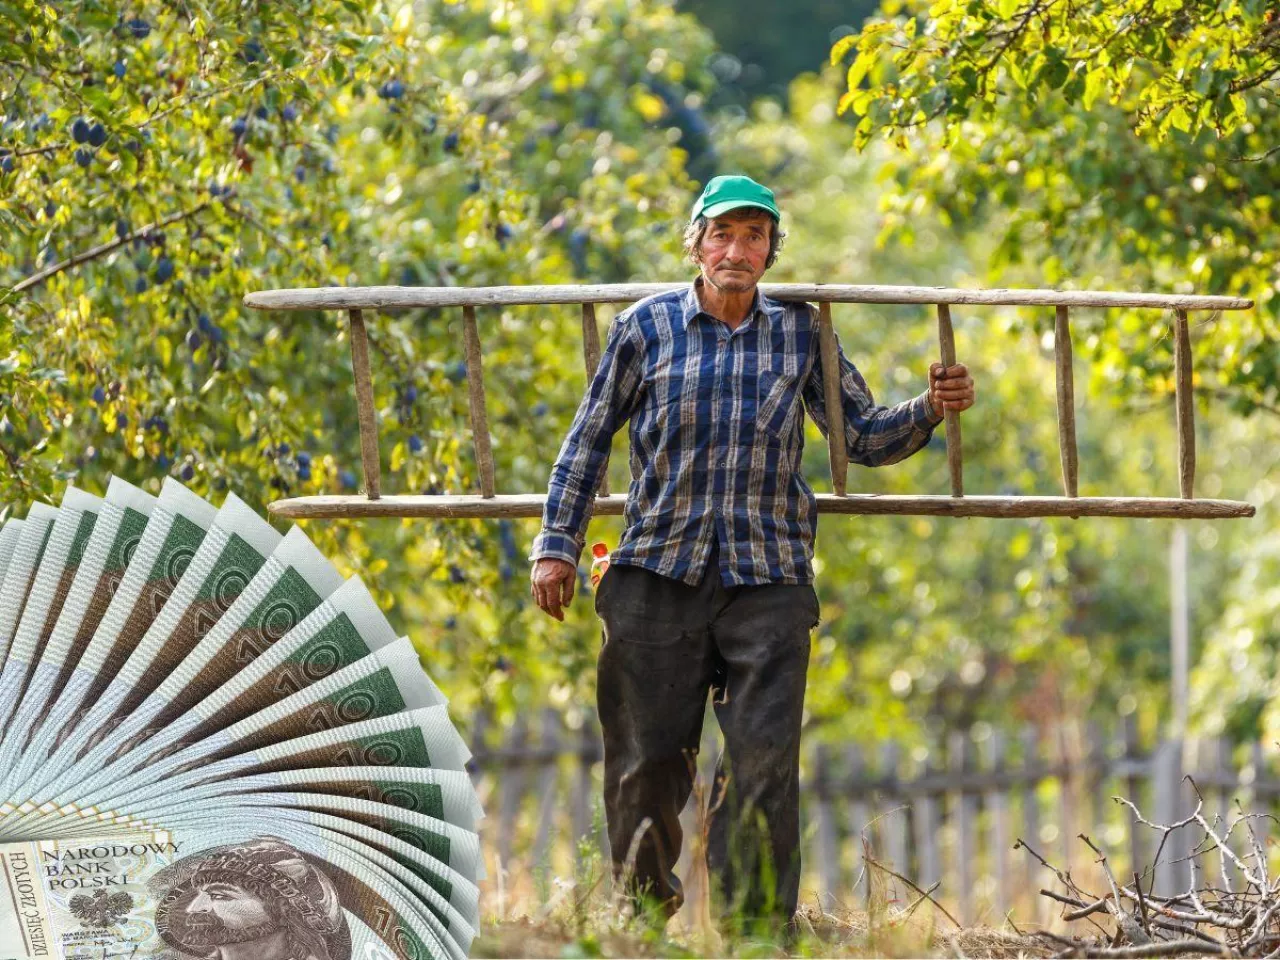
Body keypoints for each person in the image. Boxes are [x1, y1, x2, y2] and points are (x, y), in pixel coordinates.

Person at [528, 174, 976, 934]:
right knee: (646, 764)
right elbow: (586, 441)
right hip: (656, 573)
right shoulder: (646, 329)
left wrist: (931, 407)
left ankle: (755, 933)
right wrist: (556, 547)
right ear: (696, 244)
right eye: (723, 235)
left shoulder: (802, 333)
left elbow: (859, 435)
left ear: (771, 252)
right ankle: (641, 920)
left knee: (763, 765)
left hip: (766, 579)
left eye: (754, 236)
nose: (737, 250)